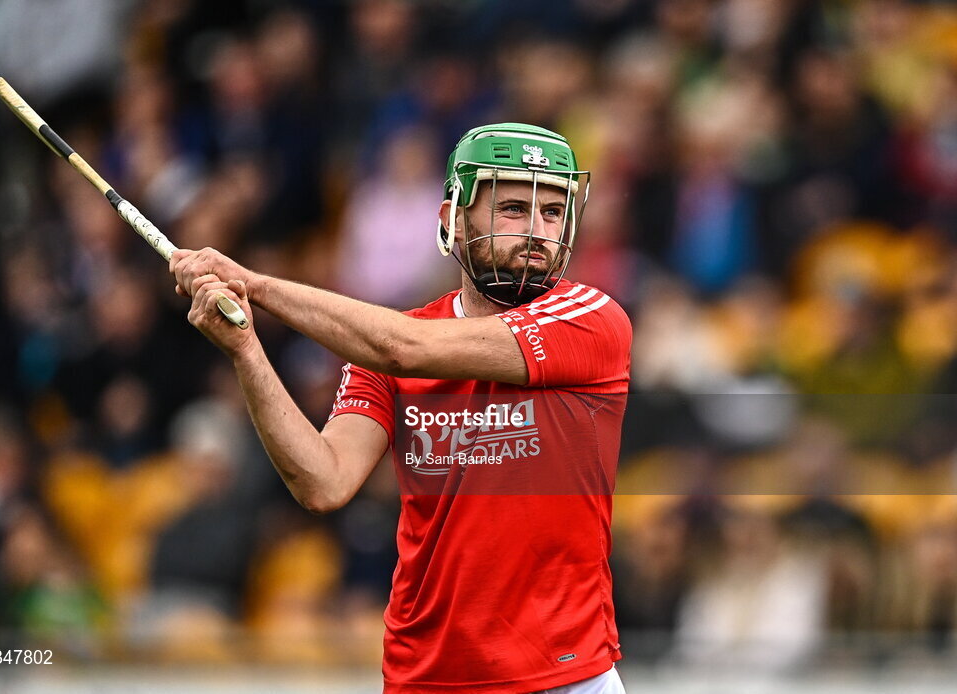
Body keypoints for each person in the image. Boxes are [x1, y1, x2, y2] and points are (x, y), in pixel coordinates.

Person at [170, 123, 632, 693]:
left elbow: (401, 349)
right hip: (426, 677)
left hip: (565, 678)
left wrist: (257, 287)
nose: (537, 232)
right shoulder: (392, 340)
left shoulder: (591, 321)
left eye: (554, 213)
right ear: (453, 219)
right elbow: (323, 482)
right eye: (514, 208)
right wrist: (246, 349)